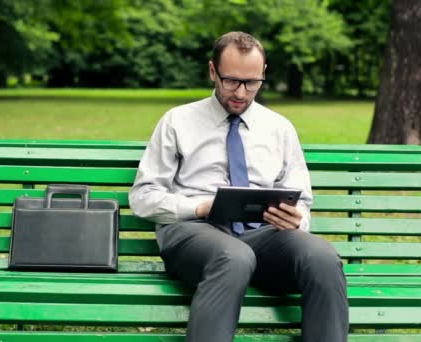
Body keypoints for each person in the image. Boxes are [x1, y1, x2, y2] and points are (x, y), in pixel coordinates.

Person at [129, 31, 348, 342]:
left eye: (252, 83)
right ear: (212, 71)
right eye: (231, 81)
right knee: (232, 257)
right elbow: (143, 197)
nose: (241, 93)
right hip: (194, 232)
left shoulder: (280, 128)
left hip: (262, 237)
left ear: (263, 75)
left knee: (322, 257)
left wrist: (296, 218)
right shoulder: (177, 121)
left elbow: (302, 199)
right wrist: (199, 207)